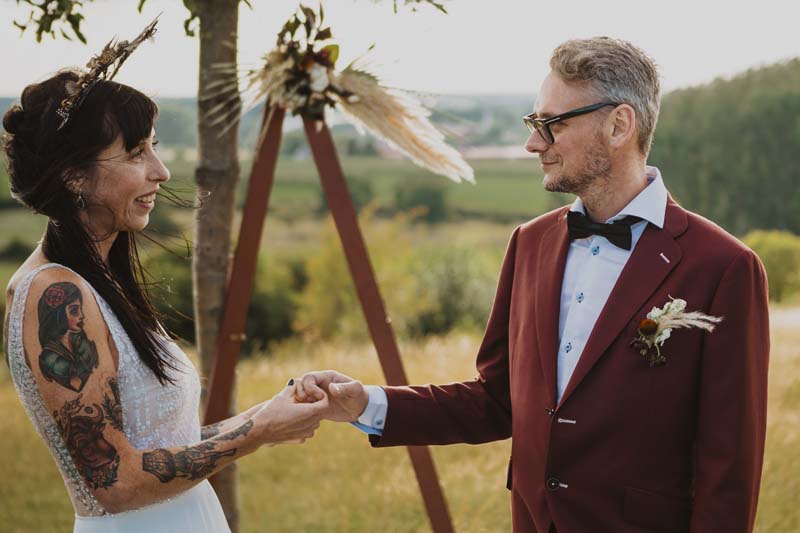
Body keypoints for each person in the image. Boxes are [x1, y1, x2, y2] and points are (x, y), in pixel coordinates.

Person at [293, 37, 770, 533]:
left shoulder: (723, 268)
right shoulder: (530, 244)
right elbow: (495, 402)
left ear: (619, 125)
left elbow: (729, 470)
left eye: (554, 124)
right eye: (533, 123)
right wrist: (367, 403)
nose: (534, 143)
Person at [2, 24, 328, 533]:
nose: (161, 171)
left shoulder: (102, 280)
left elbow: (159, 444)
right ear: (74, 176)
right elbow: (115, 482)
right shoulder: (56, 293)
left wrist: (264, 414)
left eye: (154, 147)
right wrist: (258, 432)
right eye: (136, 154)